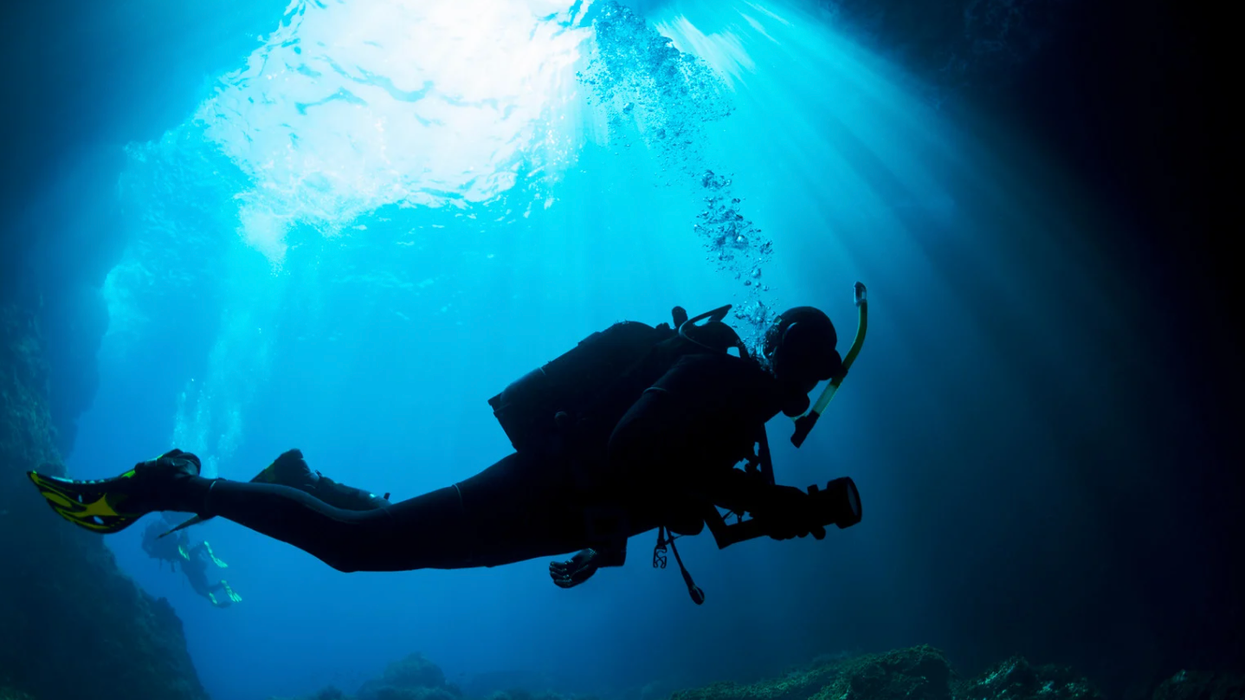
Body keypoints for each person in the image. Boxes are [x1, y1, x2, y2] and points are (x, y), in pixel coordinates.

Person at [28, 302, 864, 599]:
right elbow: (634, 447)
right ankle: (174, 484)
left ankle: (300, 480)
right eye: (815, 370)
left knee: (381, 537)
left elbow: (659, 477)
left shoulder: (734, 402)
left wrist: (609, 541)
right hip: (541, 493)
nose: (810, 387)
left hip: (552, 509)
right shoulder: (723, 384)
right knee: (355, 550)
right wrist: (762, 501)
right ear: (796, 362)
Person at [140, 513, 242, 608]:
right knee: (202, 589)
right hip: (187, 562)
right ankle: (221, 585)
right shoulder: (160, 539)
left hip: (185, 561)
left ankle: (219, 586)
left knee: (201, 588)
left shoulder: (156, 541)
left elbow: (179, 544)